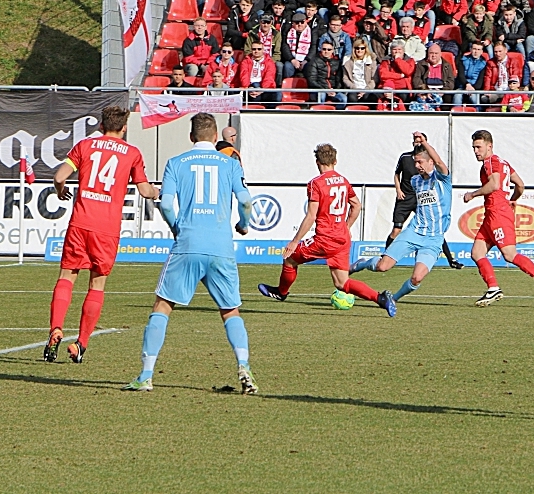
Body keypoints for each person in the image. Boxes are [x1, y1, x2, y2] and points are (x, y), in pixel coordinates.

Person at [123, 114, 257, 394]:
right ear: (215, 135)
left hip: (187, 243)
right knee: (230, 310)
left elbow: (167, 204)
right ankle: (244, 366)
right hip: (220, 246)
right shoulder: (230, 163)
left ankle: (146, 375)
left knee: (162, 306)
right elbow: (245, 201)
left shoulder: (176, 163)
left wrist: (177, 229)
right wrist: (243, 225)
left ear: (191, 136)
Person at [44, 106, 159, 364]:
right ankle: (81, 344)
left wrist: (60, 190)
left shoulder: (85, 146)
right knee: (97, 284)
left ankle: (55, 329)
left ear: (101, 126)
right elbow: (143, 190)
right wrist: (157, 192)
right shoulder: (132, 153)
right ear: (124, 127)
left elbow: (59, 176)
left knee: (67, 277)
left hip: (80, 223)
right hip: (106, 229)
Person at [258, 143, 395, 316]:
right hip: (342, 238)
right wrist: (346, 227)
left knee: (290, 259)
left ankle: (281, 292)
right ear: (335, 161)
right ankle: (380, 298)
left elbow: (311, 216)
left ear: (317, 162)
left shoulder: (316, 183)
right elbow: (357, 205)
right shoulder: (343, 181)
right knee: (342, 283)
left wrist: (294, 241)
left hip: (324, 239)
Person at [351, 136, 450, 305]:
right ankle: (361, 264)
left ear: (430, 162)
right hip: (414, 232)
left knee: (417, 278)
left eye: (420, 162)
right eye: (415, 162)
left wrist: (424, 143)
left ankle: (392, 299)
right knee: (383, 266)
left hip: (433, 239)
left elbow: (440, 161)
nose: (416, 166)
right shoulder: (415, 181)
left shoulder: (442, 179)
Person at [462, 130, 534, 307]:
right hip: (493, 213)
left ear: (489, 146)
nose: (475, 151)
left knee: (509, 255)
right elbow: (520, 185)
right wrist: (512, 200)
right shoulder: (503, 163)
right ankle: (493, 288)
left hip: (498, 213)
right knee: (477, 253)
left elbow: (494, 184)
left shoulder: (490, 162)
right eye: (473, 147)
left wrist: (472, 194)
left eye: (478, 147)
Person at [384, 132, 463, 269]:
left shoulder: (437, 173)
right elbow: (396, 174)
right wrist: (398, 190)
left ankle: (450, 259)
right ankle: (386, 255)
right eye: (415, 141)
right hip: (406, 197)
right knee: (396, 229)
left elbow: (438, 163)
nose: (417, 165)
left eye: (420, 141)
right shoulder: (407, 161)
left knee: (434, 227)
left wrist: (425, 143)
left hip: (422, 203)